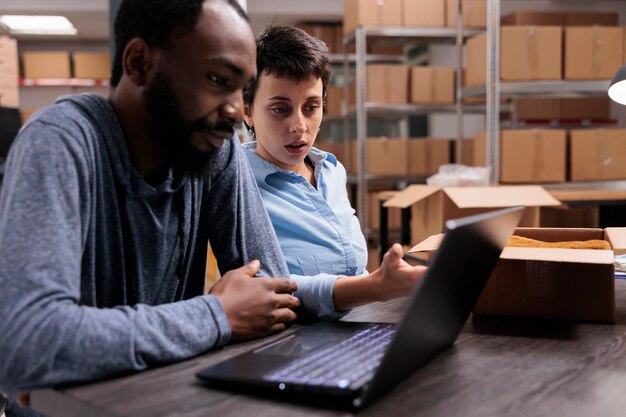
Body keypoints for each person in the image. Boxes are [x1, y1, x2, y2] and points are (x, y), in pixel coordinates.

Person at [0, 1, 307, 414]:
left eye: (242, 89)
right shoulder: (59, 142)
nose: (236, 111)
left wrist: (86, 352)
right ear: (140, 63)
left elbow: (274, 298)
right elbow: (27, 344)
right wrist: (215, 315)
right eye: (218, 79)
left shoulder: (215, 152)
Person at [242, 25, 427, 314]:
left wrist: (394, 281)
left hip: (357, 325)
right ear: (247, 111)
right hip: (291, 342)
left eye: (311, 107)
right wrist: (374, 287)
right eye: (280, 109)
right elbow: (266, 287)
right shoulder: (239, 184)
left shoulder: (330, 170)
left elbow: (354, 268)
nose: (300, 126)